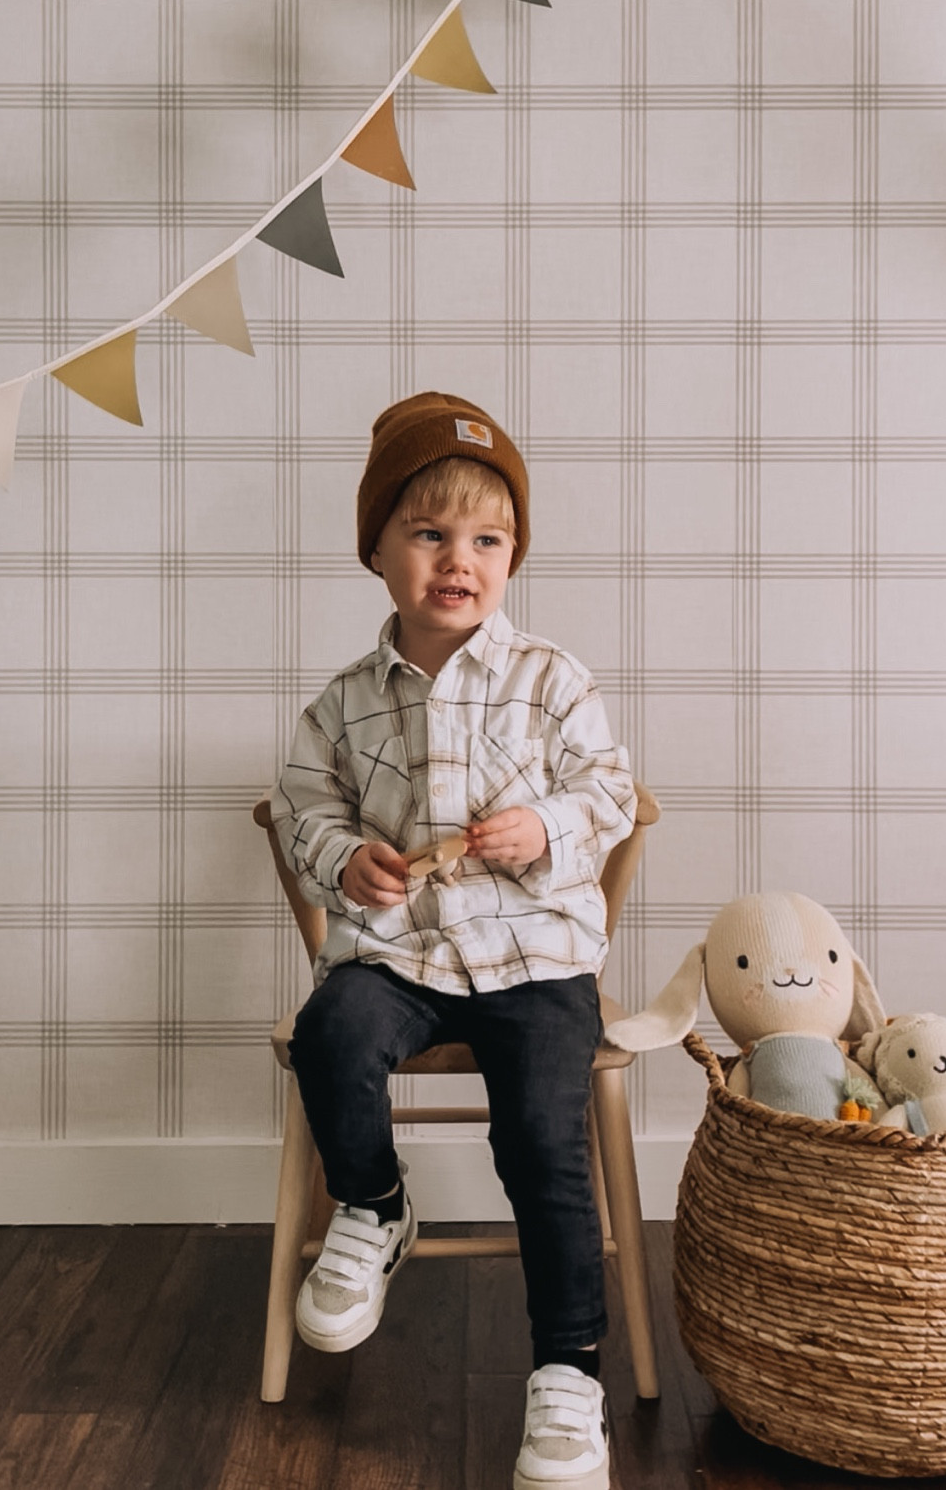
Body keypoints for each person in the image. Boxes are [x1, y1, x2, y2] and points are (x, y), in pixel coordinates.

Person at [271, 391, 637, 1490]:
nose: (457, 560)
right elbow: (299, 802)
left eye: (485, 538)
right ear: (376, 548)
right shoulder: (344, 702)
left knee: (540, 1137)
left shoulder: (548, 681)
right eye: (427, 533)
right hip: (403, 955)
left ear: (512, 554)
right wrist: (342, 858)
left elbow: (611, 793)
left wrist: (545, 828)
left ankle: (568, 1374)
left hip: (533, 959)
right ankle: (374, 1206)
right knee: (332, 1035)